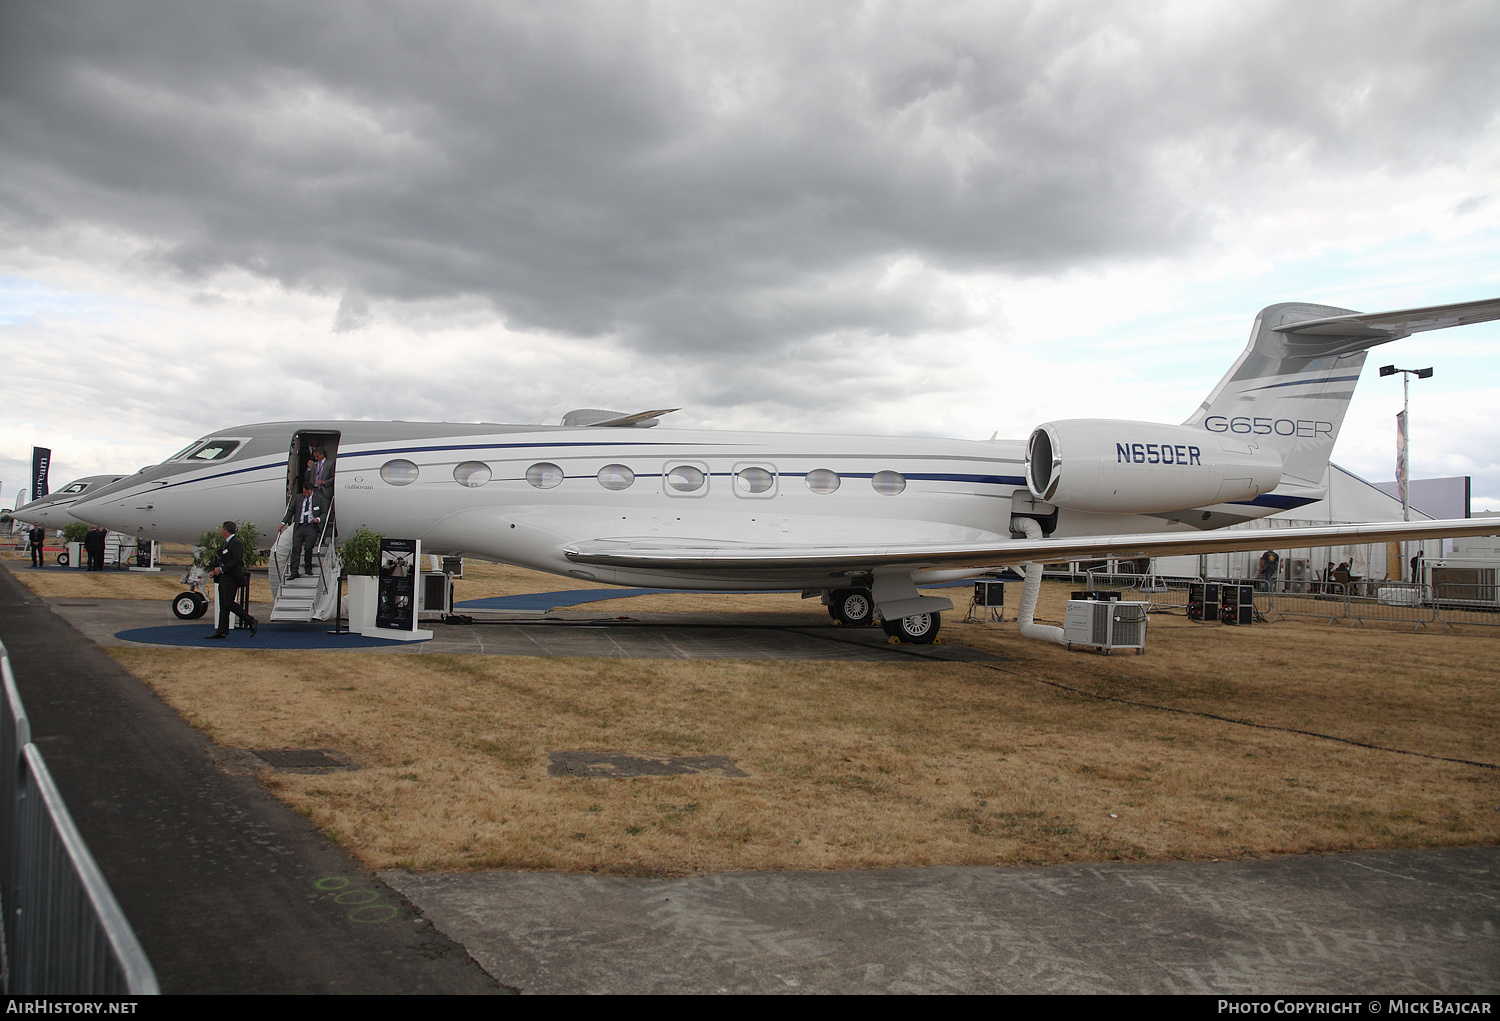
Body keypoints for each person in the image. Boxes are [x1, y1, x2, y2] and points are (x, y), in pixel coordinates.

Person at [207, 520, 257, 639]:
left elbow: (236, 561)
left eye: (221, 529)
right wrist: (215, 570)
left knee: (229, 603)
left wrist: (222, 569)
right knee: (223, 605)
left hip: (232, 577)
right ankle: (222, 630)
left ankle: (250, 621)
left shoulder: (236, 543)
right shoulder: (226, 543)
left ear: (225, 530)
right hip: (224, 577)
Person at [278, 483, 329, 580]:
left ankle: (308, 568)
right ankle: (294, 571)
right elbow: (291, 511)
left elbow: (324, 513)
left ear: (311, 490)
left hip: (311, 526)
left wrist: (318, 519)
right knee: (296, 548)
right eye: (305, 492)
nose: (306, 494)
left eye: (308, 493)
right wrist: (283, 522)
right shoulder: (298, 498)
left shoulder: (319, 498)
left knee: (309, 547)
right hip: (299, 526)